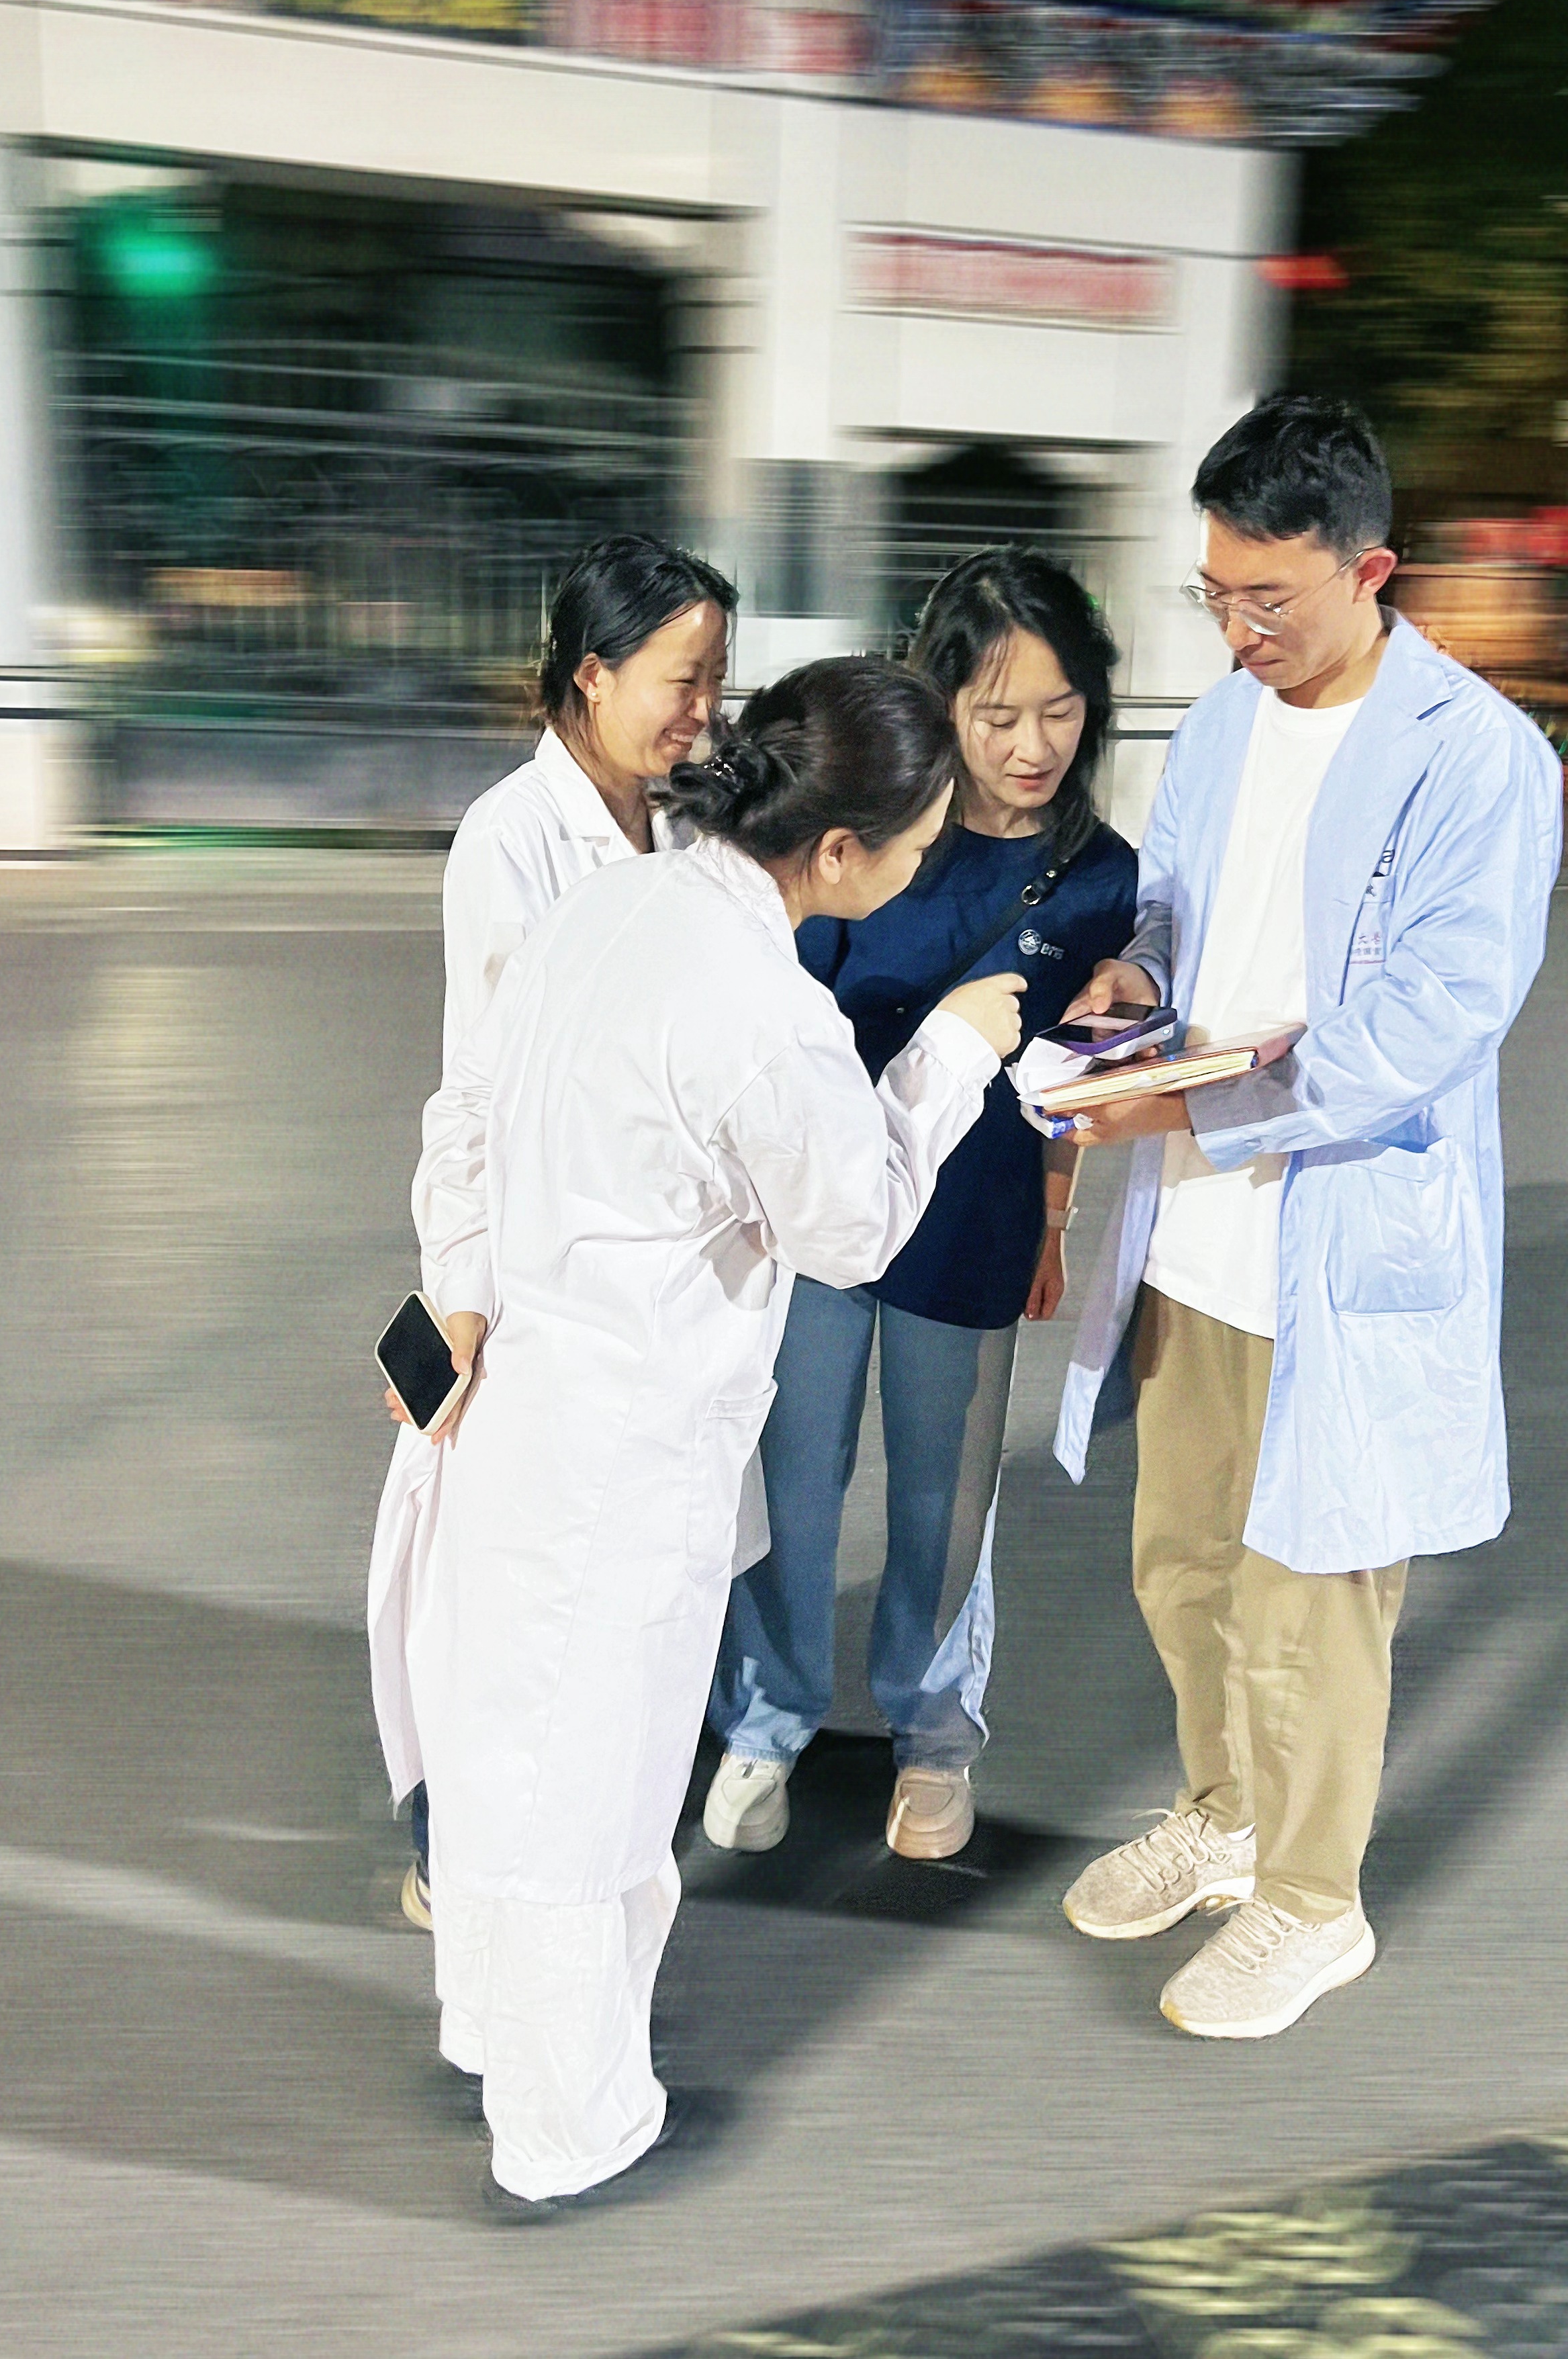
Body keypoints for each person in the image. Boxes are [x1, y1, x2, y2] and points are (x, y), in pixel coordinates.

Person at [403, 658, 1027, 2210]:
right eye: (918, 844)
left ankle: (500, 2035)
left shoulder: (607, 908)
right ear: (839, 851)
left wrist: (455, 1290)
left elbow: (465, 1108)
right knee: (594, 1781)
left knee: (510, 1746)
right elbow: (855, 1224)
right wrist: (954, 1051)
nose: (924, 868)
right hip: (626, 1446)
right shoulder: (762, 1008)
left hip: (520, 1404)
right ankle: (567, 2123)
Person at [1051, 395, 1563, 2040]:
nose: (1238, 630)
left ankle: (1312, 1899)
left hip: (1336, 1235)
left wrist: (1195, 1108)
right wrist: (1133, 983)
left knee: (1312, 1590)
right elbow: (1170, 908)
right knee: (1182, 1562)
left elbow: (1438, 1014)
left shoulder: (1474, 753)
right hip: (1197, 1234)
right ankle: (1226, 1813)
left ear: (1371, 571)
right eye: (1215, 594)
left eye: (1268, 598)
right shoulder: (1219, 724)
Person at [705, 547, 1138, 1863]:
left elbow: (1074, 1074)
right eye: (997, 714)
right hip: (822, 1218)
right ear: (940, 703)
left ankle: (935, 1734)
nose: (1031, 746)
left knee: (945, 1505)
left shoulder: (1100, 875)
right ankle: (768, 1716)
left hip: (976, 1223)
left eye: (1059, 710)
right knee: (793, 1475)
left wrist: (1054, 1219)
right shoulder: (870, 832)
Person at [367, 533, 734, 1931]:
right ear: (592, 673)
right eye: (681, 678)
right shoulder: (510, 840)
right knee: (498, 1585)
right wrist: (457, 1293)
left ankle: (584, 1843)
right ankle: (461, 1845)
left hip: (655, 1273)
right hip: (539, 1274)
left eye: (716, 678)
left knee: (614, 1584)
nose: (703, 707)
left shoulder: (684, 825)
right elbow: (472, 1092)